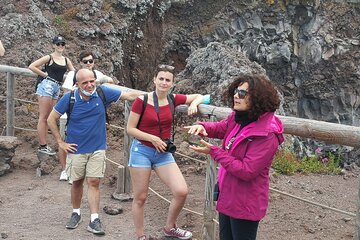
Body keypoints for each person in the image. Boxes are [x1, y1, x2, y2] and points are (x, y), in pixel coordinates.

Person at [184, 74, 284, 240]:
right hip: (228, 195)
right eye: (236, 92)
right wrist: (201, 126)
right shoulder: (239, 118)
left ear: (258, 98)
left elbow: (247, 170)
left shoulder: (267, 134)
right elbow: (220, 128)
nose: (236, 96)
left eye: (243, 93)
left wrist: (215, 152)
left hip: (246, 203)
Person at [47, 68, 141, 235]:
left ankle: (94, 219)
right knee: (77, 182)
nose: (90, 85)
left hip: (97, 148)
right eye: (85, 83)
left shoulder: (102, 92)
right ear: (77, 85)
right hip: (76, 149)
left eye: (92, 81)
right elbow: (51, 118)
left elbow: (130, 96)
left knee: (94, 182)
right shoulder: (69, 98)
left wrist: (157, 94)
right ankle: (76, 213)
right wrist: (60, 142)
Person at [126, 64, 204, 240]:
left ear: (172, 83)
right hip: (142, 150)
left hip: (163, 153)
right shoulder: (142, 100)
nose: (163, 82)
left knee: (181, 191)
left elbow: (200, 96)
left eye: (167, 80)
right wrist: (152, 138)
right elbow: (130, 129)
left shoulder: (173, 99)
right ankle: (140, 236)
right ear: (154, 80)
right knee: (141, 197)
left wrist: (195, 104)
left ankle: (170, 227)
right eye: (160, 78)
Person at [58, 51, 114, 182]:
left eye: (91, 61)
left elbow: (110, 81)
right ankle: (64, 169)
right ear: (80, 63)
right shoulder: (73, 74)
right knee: (65, 142)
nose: (88, 63)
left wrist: (102, 80)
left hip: (91, 115)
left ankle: (83, 170)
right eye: (85, 61)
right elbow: (67, 91)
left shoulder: (97, 74)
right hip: (70, 114)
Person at [29, 36, 75, 155]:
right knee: (44, 116)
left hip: (57, 87)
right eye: (58, 44)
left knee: (51, 116)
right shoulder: (49, 57)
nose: (60, 46)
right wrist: (43, 74)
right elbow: (32, 66)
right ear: (53, 45)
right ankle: (43, 145)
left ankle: (46, 144)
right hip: (47, 86)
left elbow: (74, 72)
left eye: (62, 44)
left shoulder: (66, 60)